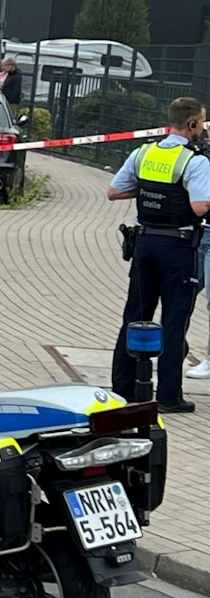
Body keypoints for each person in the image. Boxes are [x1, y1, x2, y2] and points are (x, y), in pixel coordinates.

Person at [108, 97, 210, 413]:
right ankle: (168, 397)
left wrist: (152, 192)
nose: (204, 128)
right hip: (178, 248)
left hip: (144, 245)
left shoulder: (144, 152)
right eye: (203, 122)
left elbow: (114, 191)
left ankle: (123, 389)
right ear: (192, 124)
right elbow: (200, 207)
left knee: (135, 316)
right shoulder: (195, 161)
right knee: (174, 322)